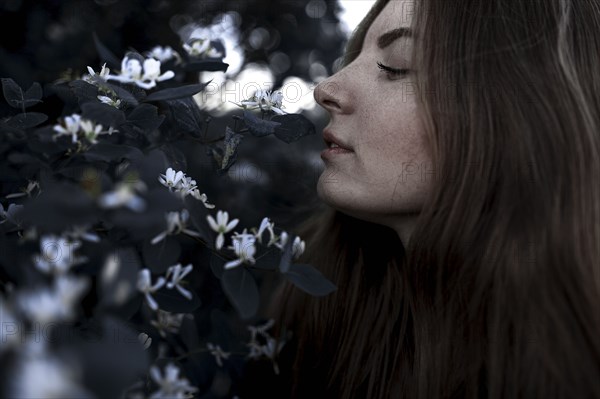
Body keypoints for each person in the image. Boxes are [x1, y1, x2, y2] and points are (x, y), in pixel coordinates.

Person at [244, 0, 600, 398]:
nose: (326, 88)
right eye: (356, 54)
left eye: (396, 65)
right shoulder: (313, 316)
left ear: (519, 110)